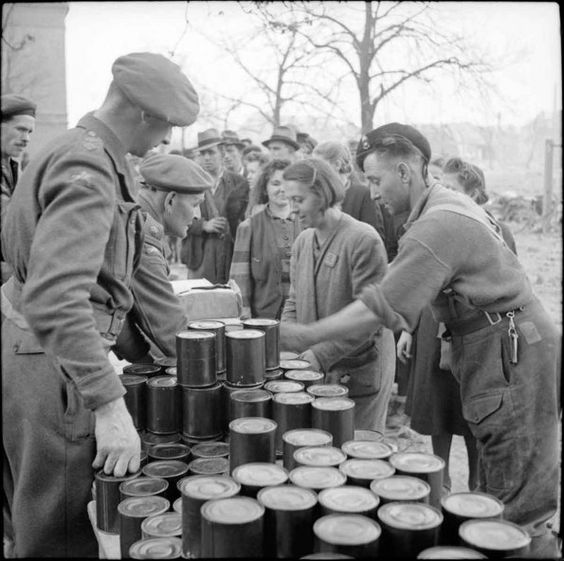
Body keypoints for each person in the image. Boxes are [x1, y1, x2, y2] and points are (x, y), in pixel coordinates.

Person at [280, 122, 561, 558]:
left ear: (406, 172)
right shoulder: (446, 207)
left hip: (510, 352)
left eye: (376, 180)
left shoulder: (438, 223)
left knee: (518, 507)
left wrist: (306, 334)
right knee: (502, 486)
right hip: (507, 345)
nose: (371, 192)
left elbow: (382, 304)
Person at [1, 52, 199, 557]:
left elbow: (100, 291)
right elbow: (57, 297)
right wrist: (109, 406)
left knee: (35, 514)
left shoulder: (70, 147)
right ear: (141, 113)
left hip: (33, 352)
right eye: (166, 127)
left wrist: (140, 349)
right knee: (60, 531)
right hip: (52, 367)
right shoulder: (89, 165)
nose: (165, 142)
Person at [281, 158, 395, 433]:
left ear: (323, 193)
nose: (291, 210)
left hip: (358, 372)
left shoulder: (362, 240)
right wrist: (287, 343)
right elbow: (294, 301)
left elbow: (369, 319)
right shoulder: (303, 242)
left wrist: (318, 354)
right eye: (289, 200)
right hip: (316, 368)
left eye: (299, 200)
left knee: (358, 450)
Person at [114, 153, 213, 366]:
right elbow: (175, 336)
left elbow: (120, 320)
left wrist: (143, 359)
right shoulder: (142, 243)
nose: (197, 215)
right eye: (195, 204)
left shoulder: (130, 224)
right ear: (170, 200)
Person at [230, 159, 300, 319]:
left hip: (301, 319)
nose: (282, 189)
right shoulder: (249, 227)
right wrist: (245, 315)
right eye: (275, 183)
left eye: (287, 183)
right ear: (264, 188)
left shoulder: (308, 224)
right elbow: (239, 277)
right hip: (263, 319)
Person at [180, 128, 249, 283]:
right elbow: (176, 217)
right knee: (200, 299)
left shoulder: (238, 182)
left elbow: (246, 219)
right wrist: (203, 225)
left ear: (222, 153)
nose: (207, 158)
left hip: (230, 253)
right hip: (200, 254)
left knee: (229, 299)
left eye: (211, 153)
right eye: (202, 154)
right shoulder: (190, 183)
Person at [312, 140, 385, 236]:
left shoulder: (362, 195)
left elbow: (374, 237)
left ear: (337, 165)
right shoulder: (317, 194)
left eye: (320, 166)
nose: (315, 171)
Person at [1, 94, 37, 284]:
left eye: (30, 132)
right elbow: (9, 225)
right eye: (21, 130)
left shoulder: (13, 167)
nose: (26, 139)